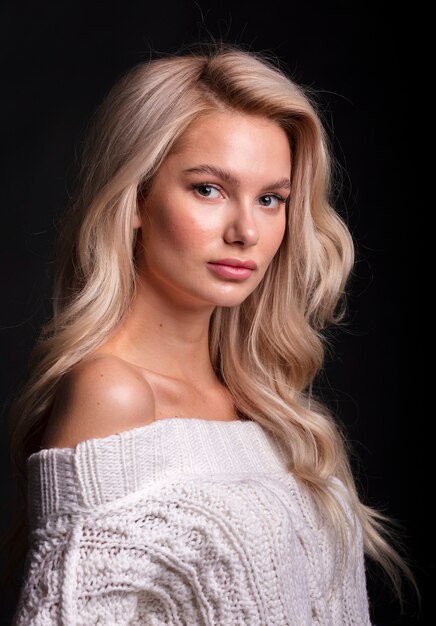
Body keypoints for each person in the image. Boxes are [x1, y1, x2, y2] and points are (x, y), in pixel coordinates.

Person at [6, 43, 413, 624]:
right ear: (137, 198)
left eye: (271, 199)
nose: (246, 230)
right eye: (208, 189)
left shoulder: (265, 406)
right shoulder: (113, 394)